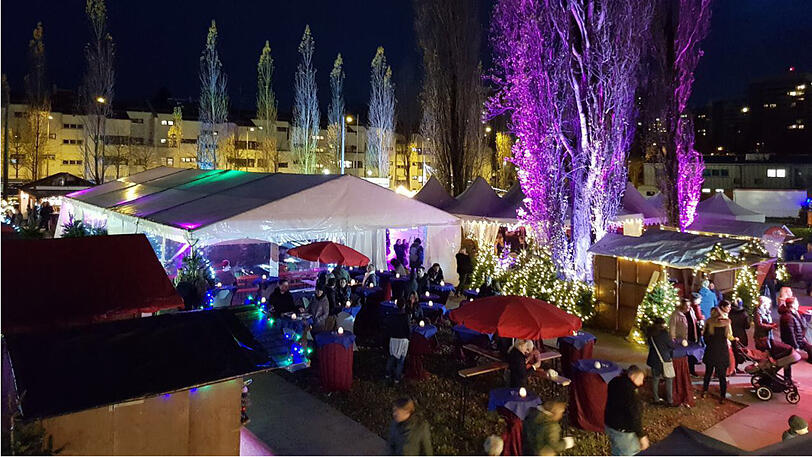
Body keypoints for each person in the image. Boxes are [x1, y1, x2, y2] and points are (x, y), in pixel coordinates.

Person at [605, 365, 649, 455]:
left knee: (617, 450)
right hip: (623, 431)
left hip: (610, 425)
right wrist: (641, 435)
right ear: (633, 376)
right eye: (640, 379)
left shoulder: (615, 382)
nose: (642, 383)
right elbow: (634, 415)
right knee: (630, 452)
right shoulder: (631, 393)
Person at [701, 304, 736, 404]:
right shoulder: (726, 323)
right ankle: (722, 396)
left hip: (711, 351)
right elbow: (729, 336)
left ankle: (705, 390)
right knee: (722, 376)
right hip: (722, 351)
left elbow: (705, 338)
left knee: (708, 373)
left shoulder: (708, 323)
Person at [646, 317, 675, 405]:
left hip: (654, 360)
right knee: (669, 380)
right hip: (664, 360)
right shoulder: (664, 334)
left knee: (655, 379)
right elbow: (672, 345)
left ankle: (656, 399)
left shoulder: (650, 334)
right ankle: (670, 400)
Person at [385, 300, 411, 384]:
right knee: (401, 360)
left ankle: (387, 373)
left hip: (393, 338)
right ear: (404, 306)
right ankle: (397, 377)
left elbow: (388, 326)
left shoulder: (392, 315)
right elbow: (408, 328)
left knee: (392, 356)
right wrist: (409, 337)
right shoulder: (405, 316)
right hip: (402, 339)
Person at [779, 297, 812, 363]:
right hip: (796, 340)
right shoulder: (788, 317)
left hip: (799, 337)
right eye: (797, 303)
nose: (798, 305)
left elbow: (802, 325)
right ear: (792, 305)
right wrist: (796, 346)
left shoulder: (794, 313)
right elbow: (791, 334)